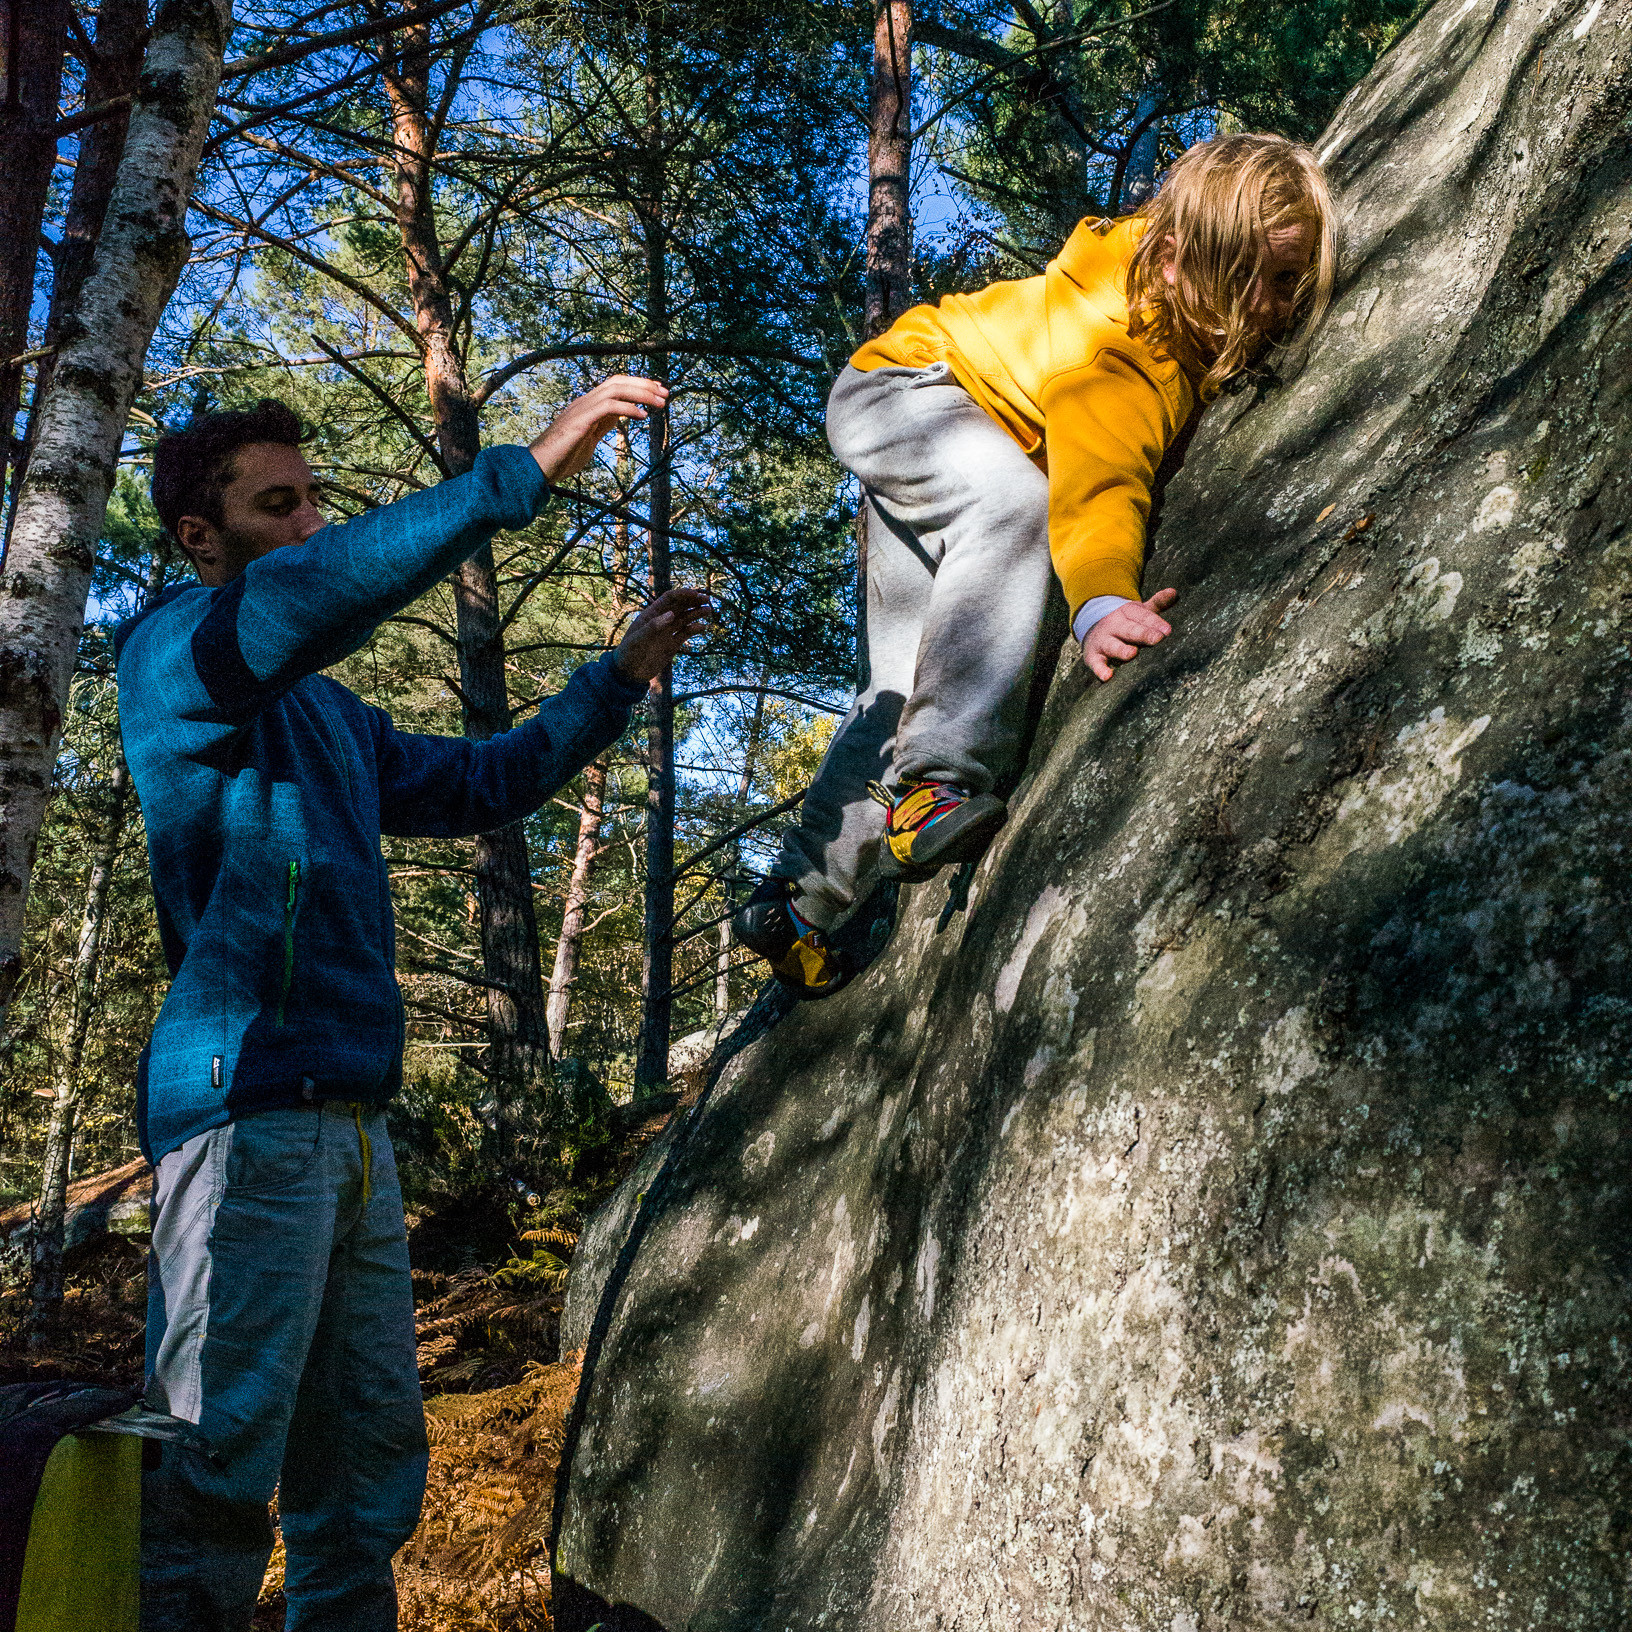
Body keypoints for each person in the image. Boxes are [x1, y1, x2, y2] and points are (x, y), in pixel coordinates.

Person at [115, 381, 709, 1630]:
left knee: (364, 1484)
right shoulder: (177, 653)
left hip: (356, 1132)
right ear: (198, 536)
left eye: (315, 499)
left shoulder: (327, 714)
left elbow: (482, 783)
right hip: (243, 1111)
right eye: (277, 505)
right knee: (210, 1480)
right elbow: (308, 593)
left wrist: (615, 677)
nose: (310, 524)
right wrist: (526, 468)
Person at [735, 132, 1335, 994]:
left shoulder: (1146, 264)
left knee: (904, 683)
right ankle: (937, 782)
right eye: (1267, 280)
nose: (1285, 302)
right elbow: (1099, 485)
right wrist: (1098, 603)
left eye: (1294, 278)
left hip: (914, 422)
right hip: (910, 395)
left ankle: (801, 905)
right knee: (1014, 505)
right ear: (1185, 261)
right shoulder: (1130, 347)